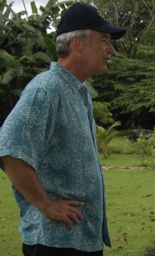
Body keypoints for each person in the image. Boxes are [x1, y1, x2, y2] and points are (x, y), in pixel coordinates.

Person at [0, 2, 126, 256]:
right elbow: (9, 149)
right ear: (77, 44)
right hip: (54, 242)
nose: (111, 49)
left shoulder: (79, 92)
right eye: (104, 40)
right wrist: (45, 205)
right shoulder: (46, 89)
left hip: (79, 238)